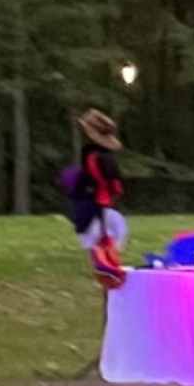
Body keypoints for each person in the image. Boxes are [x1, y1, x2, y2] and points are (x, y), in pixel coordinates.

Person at [62, 108, 129, 290]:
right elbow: (114, 186)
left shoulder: (94, 157)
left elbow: (101, 183)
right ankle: (109, 268)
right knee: (106, 236)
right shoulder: (104, 157)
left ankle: (109, 270)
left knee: (99, 240)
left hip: (94, 204)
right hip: (100, 204)